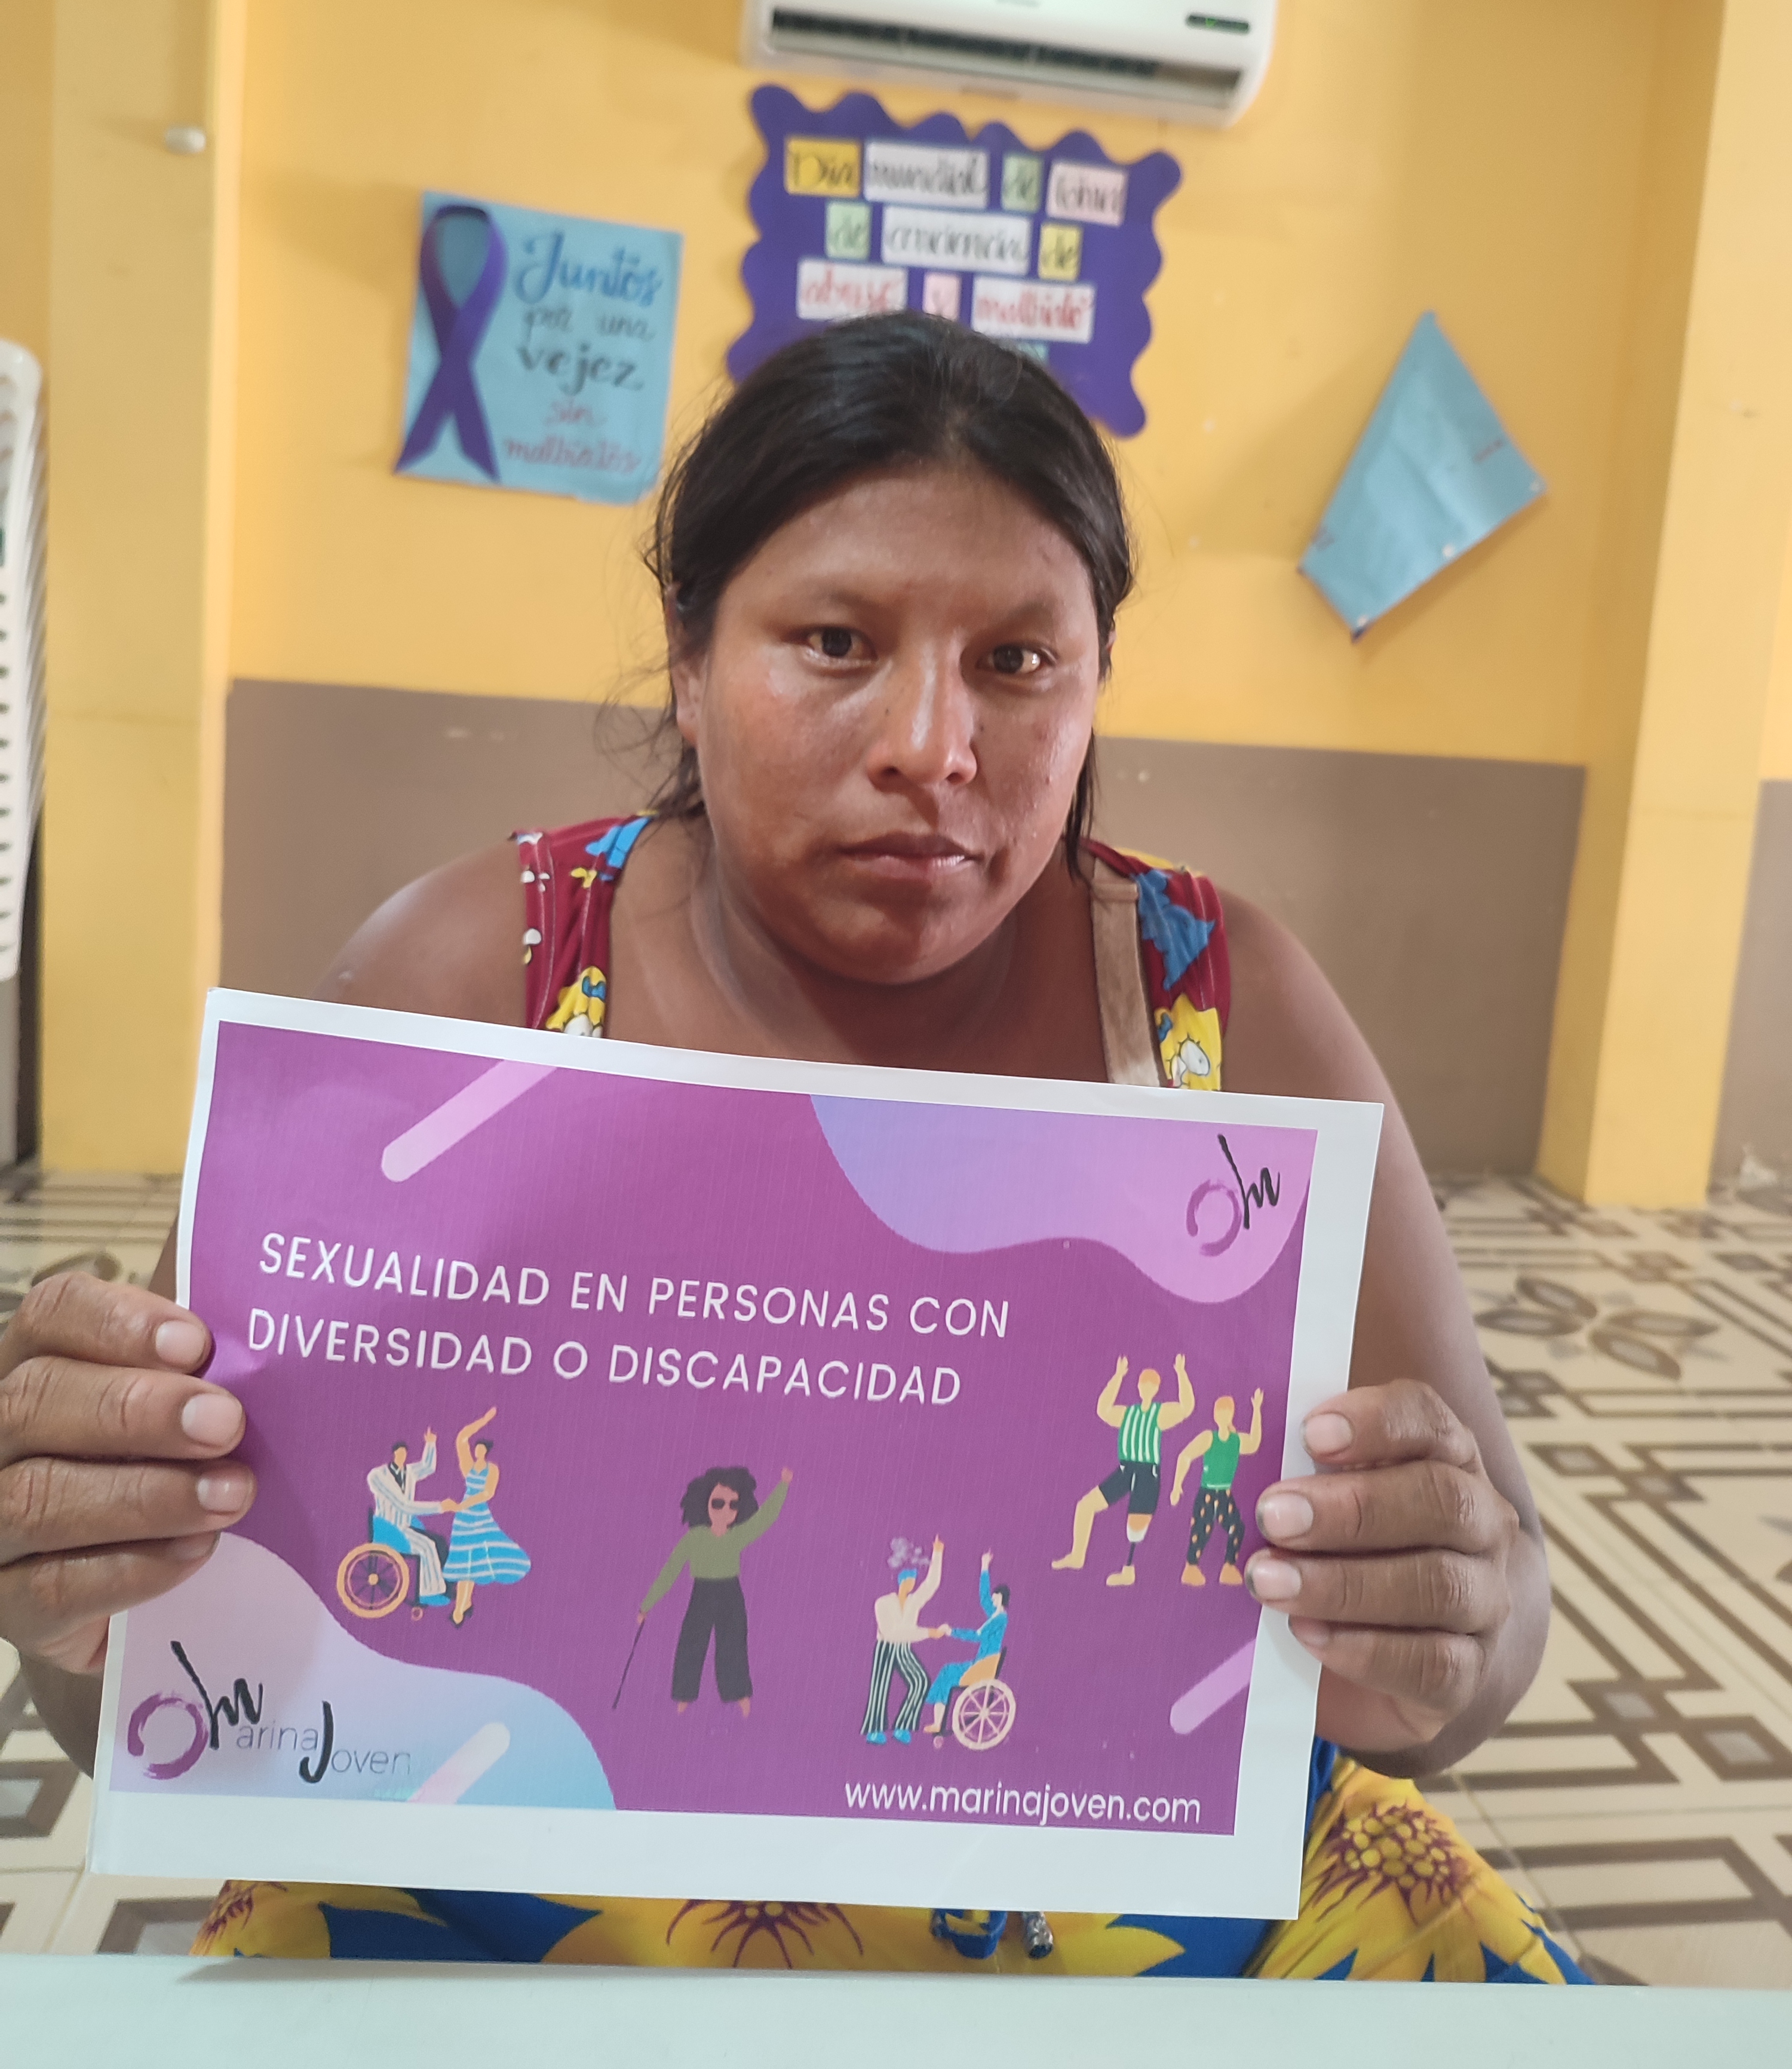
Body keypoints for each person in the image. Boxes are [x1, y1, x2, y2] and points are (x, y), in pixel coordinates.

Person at [0, 314, 1581, 1980]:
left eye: (1017, 661)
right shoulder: (473, 990)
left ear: (1095, 679)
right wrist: (75, 1580)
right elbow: (129, 1702)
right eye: (835, 641)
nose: (931, 744)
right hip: (519, 1887)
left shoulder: (1215, 1013)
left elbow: (1480, 1649)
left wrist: (1444, 1627)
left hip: (1119, 1899)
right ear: (688, 660)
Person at [640, 1464, 790, 1716]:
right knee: (691, 1642)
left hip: (731, 1593)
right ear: (704, 1503)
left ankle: (739, 1694)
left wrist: (783, 1486)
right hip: (702, 1593)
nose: (725, 1511)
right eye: (718, 1503)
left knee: (733, 1643)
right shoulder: (694, 1538)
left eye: (733, 1505)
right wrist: (647, 1606)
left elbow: (765, 1519)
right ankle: (684, 1695)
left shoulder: (737, 1536)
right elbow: (670, 1571)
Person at [1052, 1353, 1194, 1585]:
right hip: (1126, 1471)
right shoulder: (1128, 1414)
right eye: (1143, 1384)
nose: (1146, 1388)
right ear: (1138, 1387)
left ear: (1157, 1388)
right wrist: (1118, 1377)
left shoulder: (1160, 1414)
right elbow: (1103, 1409)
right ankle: (1077, 1556)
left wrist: (1181, 1373)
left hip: (1147, 1473)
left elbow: (1186, 1408)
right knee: (1086, 1506)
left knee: (1136, 1525)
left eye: (1151, 1385)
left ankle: (1129, 1571)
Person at [437, 1408, 530, 1626]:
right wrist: (484, 1420)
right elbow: (461, 1439)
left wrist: (463, 1505)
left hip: (478, 1515)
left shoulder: (492, 1469)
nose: (477, 1451)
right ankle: (462, 1605)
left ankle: (463, 1605)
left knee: (475, 1561)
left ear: (486, 1451)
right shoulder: (469, 1467)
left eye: (481, 1449)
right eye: (476, 1448)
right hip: (464, 1519)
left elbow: (488, 1493)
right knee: (464, 1562)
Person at [1171, 1388, 1265, 1587]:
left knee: (1236, 1527)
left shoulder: (1236, 1441)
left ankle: (1229, 1567)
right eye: (1220, 1412)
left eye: (1227, 1412)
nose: (1224, 1416)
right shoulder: (1209, 1438)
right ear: (1215, 1415)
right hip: (1207, 1493)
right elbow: (1185, 1456)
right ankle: (1191, 1567)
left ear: (1232, 1415)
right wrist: (1177, 1485)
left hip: (1224, 1494)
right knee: (1202, 1529)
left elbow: (1254, 1443)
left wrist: (1257, 1410)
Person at [862, 1536, 947, 1745]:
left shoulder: (913, 1602)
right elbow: (892, 1633)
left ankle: (903, 1726)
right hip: (886, 1647)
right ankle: (875, 1729)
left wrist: (938, 1552)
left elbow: (932, 1585)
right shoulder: (883, 1603)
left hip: (904, 1649)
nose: (912, 1584)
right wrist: (928, 1633)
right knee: (880, 1687)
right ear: (901, 1581)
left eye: (914, 1580)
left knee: (921, 1680)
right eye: (909, 1580)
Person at [921, 1550, 1009, 1742]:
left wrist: (951, 1631)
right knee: (947, 1671)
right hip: (981, 1662)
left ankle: (938, 1720)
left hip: (983, 1665)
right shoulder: (996, 1615)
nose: (992, 1599)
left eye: (995, 1597)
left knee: (948, 1673)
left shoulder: (1000, 1619)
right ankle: (938, 1720)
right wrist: (984, 1567)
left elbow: (978, 1636)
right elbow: (984, 1598)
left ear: (1001, 1598)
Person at [365, 1429, 451, 1608]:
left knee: (430, 1544)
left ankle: (432, 1591)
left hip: (403, 1527)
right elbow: (403, 1505)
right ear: (393, 1454)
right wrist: (440, 1507)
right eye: (399, 1453)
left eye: (405, 1454)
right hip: (388, 1528)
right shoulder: (378, 1476)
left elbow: (428, 1467)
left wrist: (431, 1444)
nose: (402, 1457)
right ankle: (427, 1593)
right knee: (425, 1547)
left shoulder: (409, 1472)